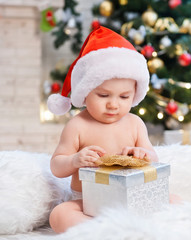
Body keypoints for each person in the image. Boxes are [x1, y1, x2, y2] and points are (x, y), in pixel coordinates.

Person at [47, 26, 158, 233]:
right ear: (85, 92)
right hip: (88, 202)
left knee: (175, 200)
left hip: (130, 197)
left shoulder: (134, 123)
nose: (113, 104)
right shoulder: (78, 126)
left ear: (134, 94)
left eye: (124, 97)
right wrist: (74, 160)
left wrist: (143, 154)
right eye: (103, 96)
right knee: (60, 215)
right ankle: (102, 232)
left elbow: (154, 158)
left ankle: (140, 229)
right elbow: (56, 166)